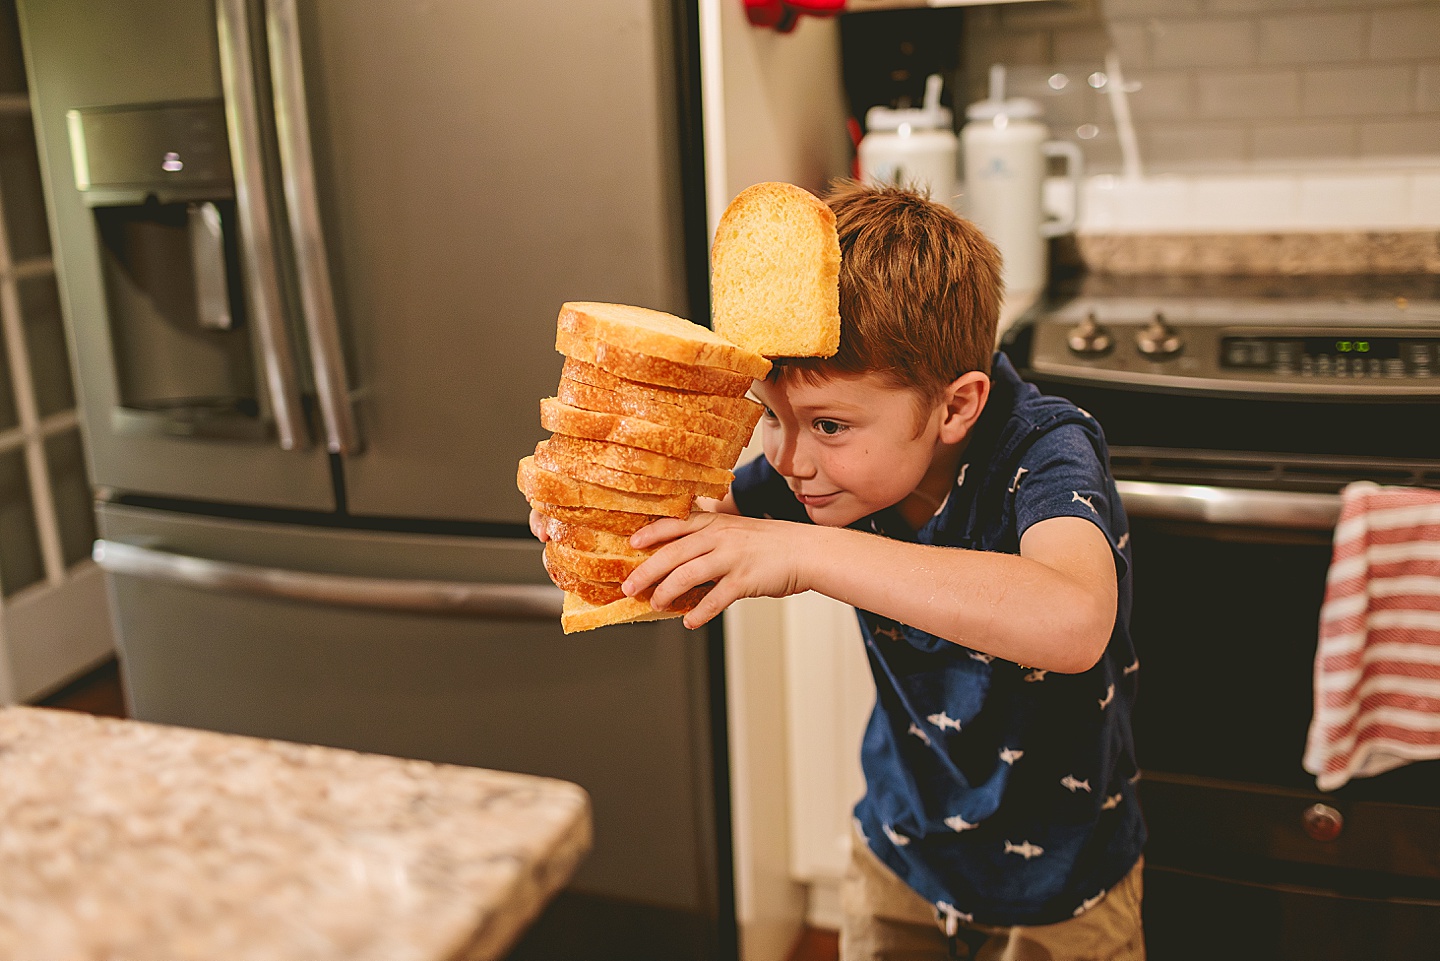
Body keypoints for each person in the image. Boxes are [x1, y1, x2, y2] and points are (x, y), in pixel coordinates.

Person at [543, 180, 1145, 959]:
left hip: (1064, 890)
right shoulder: (824, 467)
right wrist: (595, 516)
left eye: (829, 423)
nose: (789, 458)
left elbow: (1071, 620)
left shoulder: (1043, 450)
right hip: (900, 851)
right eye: (769, 415)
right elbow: (703, 531)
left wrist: (803, 552)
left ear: (957, 407)